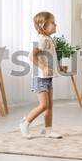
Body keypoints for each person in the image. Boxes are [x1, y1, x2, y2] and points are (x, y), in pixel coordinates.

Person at [19, 11, 62, 139]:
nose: (55, 25)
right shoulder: (42, 40)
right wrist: (43, 67)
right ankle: (25, 123)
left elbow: (49, 57)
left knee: (49, 105)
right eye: (53, 23)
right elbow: (32, 56)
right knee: (44, 105)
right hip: (40, 78)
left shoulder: (48, 39)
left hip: (47, 78)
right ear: (44, 27)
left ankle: (48, 130)